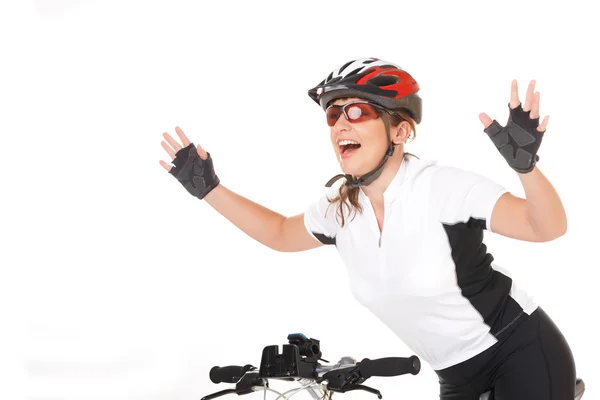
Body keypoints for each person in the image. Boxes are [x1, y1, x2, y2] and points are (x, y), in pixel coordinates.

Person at [158, 58, 578, 399]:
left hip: (518, 350)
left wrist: (527, 168)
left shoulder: (443, 187)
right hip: (454, 376)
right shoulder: (339, 208)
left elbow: (546, 227)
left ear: (400, 130)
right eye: (333, 114)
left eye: (357, 111)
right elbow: (280, 234)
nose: (341, 123)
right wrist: (210, 190)